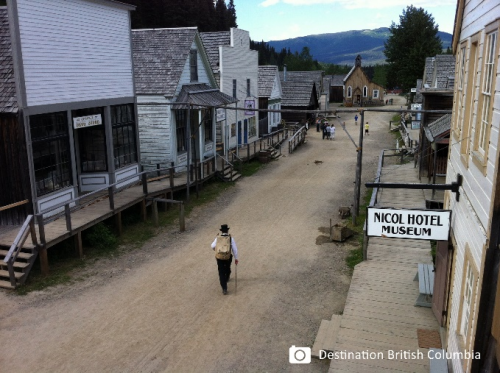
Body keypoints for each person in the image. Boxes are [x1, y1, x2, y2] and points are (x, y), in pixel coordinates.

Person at [211, 224, 238, 295]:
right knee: (227, 267)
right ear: (227, 230)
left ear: (221, 231)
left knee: (221, 272)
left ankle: (224, 288)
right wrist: (236, 258)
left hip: (219, 257)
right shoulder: (230, 238)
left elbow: (212, 246)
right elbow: (234, 249)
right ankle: (228, 274)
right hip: (227, 256)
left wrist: (216, 249)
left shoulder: (218, 238)